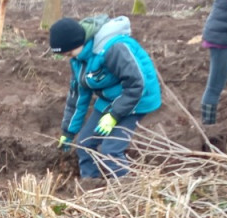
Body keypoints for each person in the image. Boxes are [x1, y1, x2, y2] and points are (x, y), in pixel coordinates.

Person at [49, 15, 161, 182]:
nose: (69, 57)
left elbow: (137, 85)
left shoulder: (113, 48)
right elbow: (78, 96)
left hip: (137, 98)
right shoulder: (78, 59)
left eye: (69, 52)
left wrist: (114, 116)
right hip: (110, 99)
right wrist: (68, 132)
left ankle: (125, 190)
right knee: (85, 143)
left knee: (110, 150)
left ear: (79, 42)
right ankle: (90, 184)